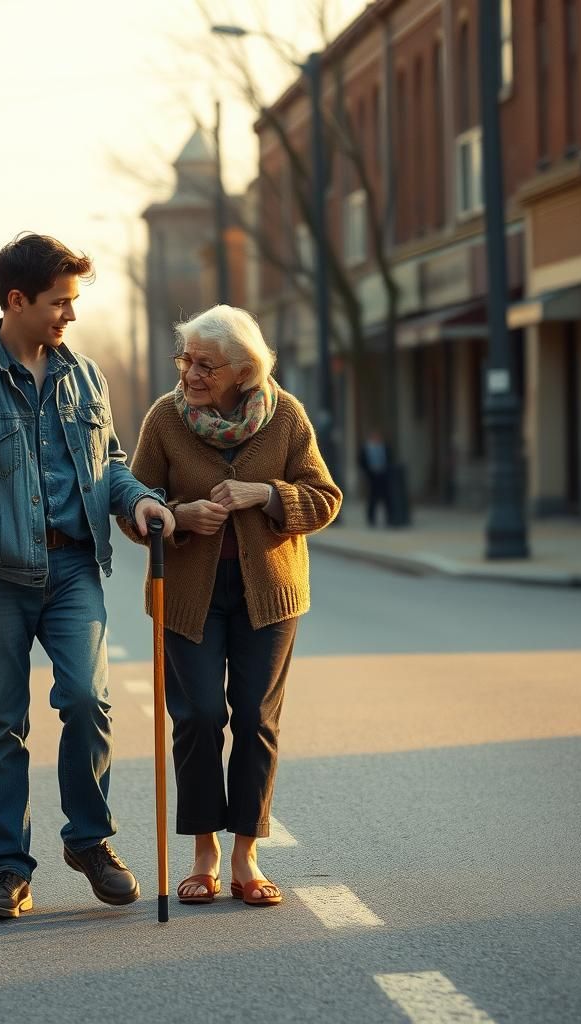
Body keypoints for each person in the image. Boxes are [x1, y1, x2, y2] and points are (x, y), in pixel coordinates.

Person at [0, 233, 174, 921]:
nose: (71, 314)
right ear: (17, 300)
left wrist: (139, 501)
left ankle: (89, 841)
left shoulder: (86, 377)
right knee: (4, 722)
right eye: (60, 302)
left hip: (74, 567)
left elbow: (108, 461)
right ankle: (9, 871)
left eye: (73, 301)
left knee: (88, 700)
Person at [120, 304, 341, 907]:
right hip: (187, 595)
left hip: (267, 595)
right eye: (186, 360)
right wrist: (176, 516)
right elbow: (132, 507)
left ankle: (246, 854)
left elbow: (325, 498)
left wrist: (266, 493)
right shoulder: (165, 419)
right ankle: (204, 853)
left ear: (244, 370)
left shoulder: (286, 416)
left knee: (254, 719)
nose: (190, 373)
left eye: (206, 365)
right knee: (197, 717)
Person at [358, 428, 391, 526]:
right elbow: (361, 461)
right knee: (372, 498)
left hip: (383, 475)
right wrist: (367, 472)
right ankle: (371, 519)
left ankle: (388, 518)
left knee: (386, 497)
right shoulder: (366, 448)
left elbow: (389, 459)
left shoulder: (384, 447)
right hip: (371, 476)